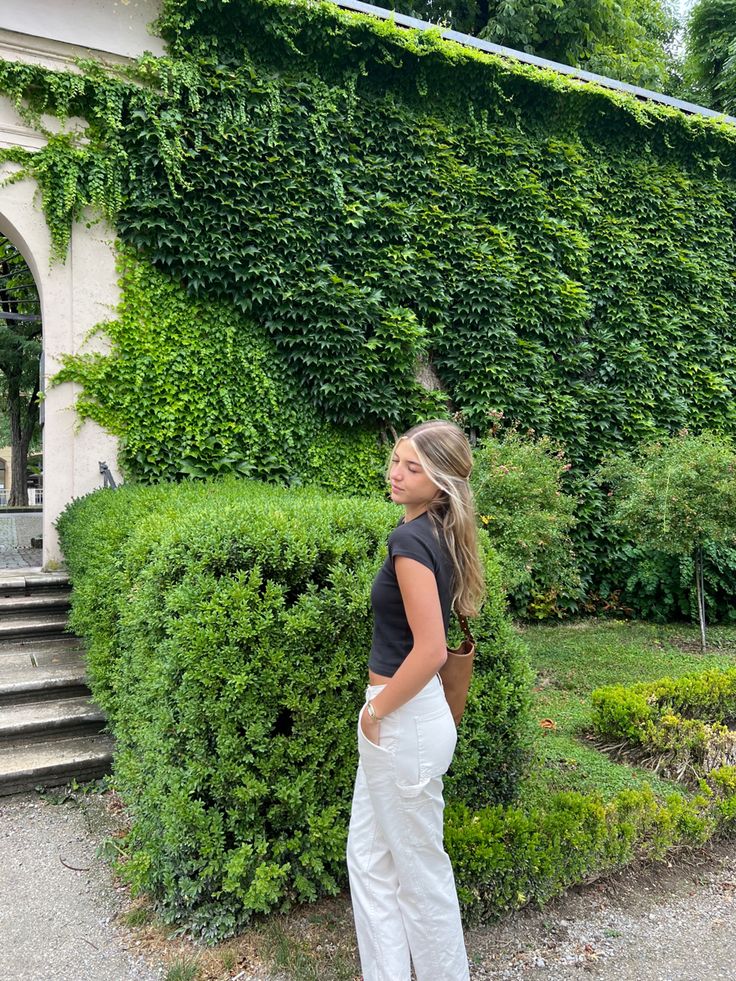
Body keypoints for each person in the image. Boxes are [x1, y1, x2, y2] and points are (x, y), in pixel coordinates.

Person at [347, 418, 485, 981]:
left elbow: (429, 650)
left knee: (418, 875)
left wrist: (375, 712)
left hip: (399, 719)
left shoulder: (409, 539)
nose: (397, 473)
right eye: (397, 461)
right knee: (372, 860)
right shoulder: (437, 531)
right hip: (409, 718)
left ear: (442, 479)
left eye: (414, 466)